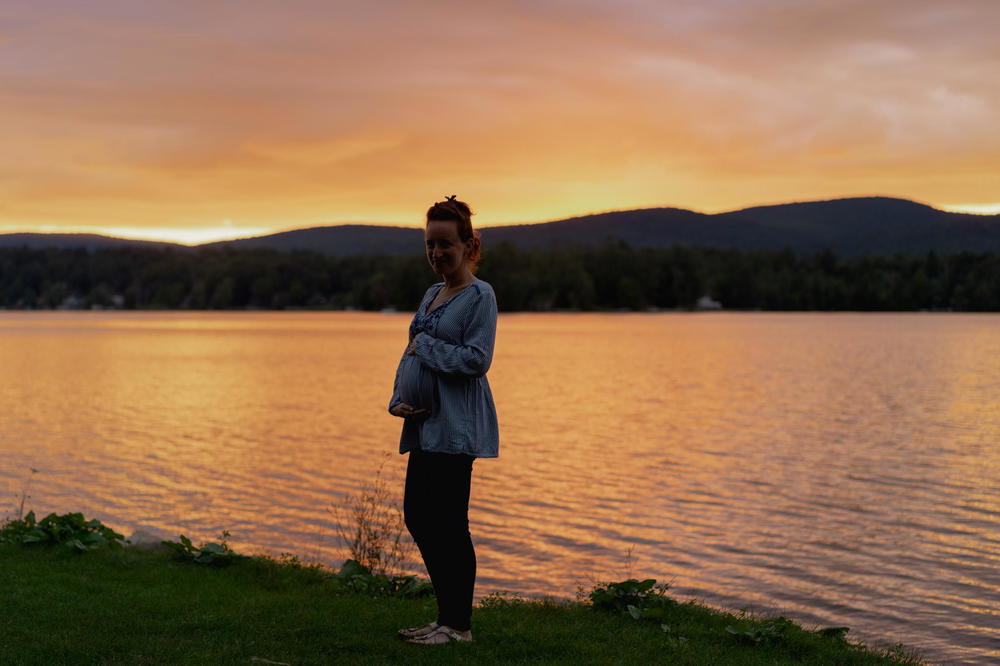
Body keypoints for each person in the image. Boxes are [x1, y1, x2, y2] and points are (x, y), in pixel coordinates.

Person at [388, 195, 499, 645]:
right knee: (418, 515)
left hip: (456, 428)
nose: (436, 254)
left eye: (445, 245)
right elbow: (409, 350)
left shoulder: (480, 295)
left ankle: (459, 626)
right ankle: (444, 617)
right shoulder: (432, 294)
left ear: (469, 245)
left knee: (450, 524)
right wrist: (398, 399)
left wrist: (425, 348)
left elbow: (477, 359)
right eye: (430, 245)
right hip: (423, 424)